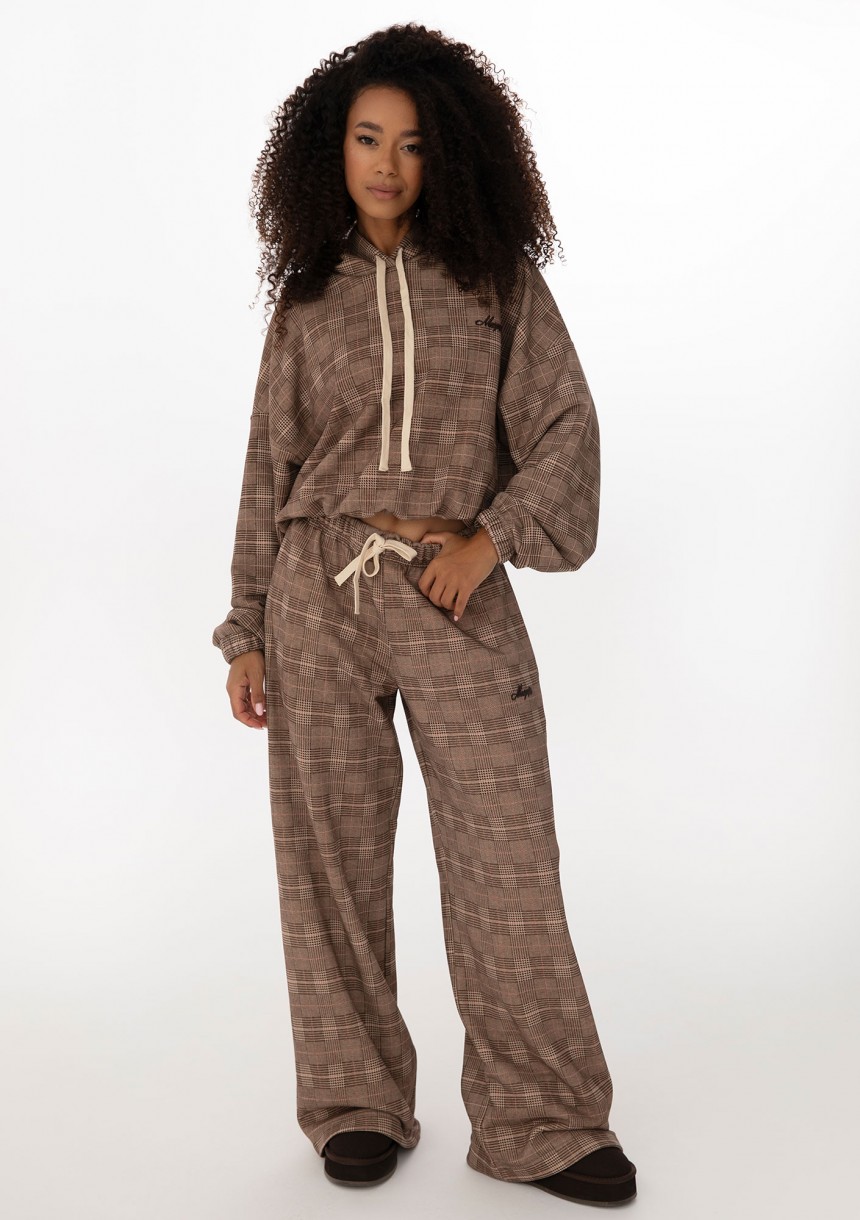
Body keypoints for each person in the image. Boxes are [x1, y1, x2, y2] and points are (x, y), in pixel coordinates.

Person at [211, 22, 637, 1207]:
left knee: (506, 861)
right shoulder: (306, 300)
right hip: (319, 592)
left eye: (409, 143)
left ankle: (540, 1118)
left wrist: (489, 539)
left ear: (448, 151)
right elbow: (269, 465)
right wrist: (247, 628)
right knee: (330, 864)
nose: (386, 164)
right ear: (329, 151)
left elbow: (565, 430)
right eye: (365, 139)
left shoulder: (497, 282)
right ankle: (355, 1102)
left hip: (455, 589)